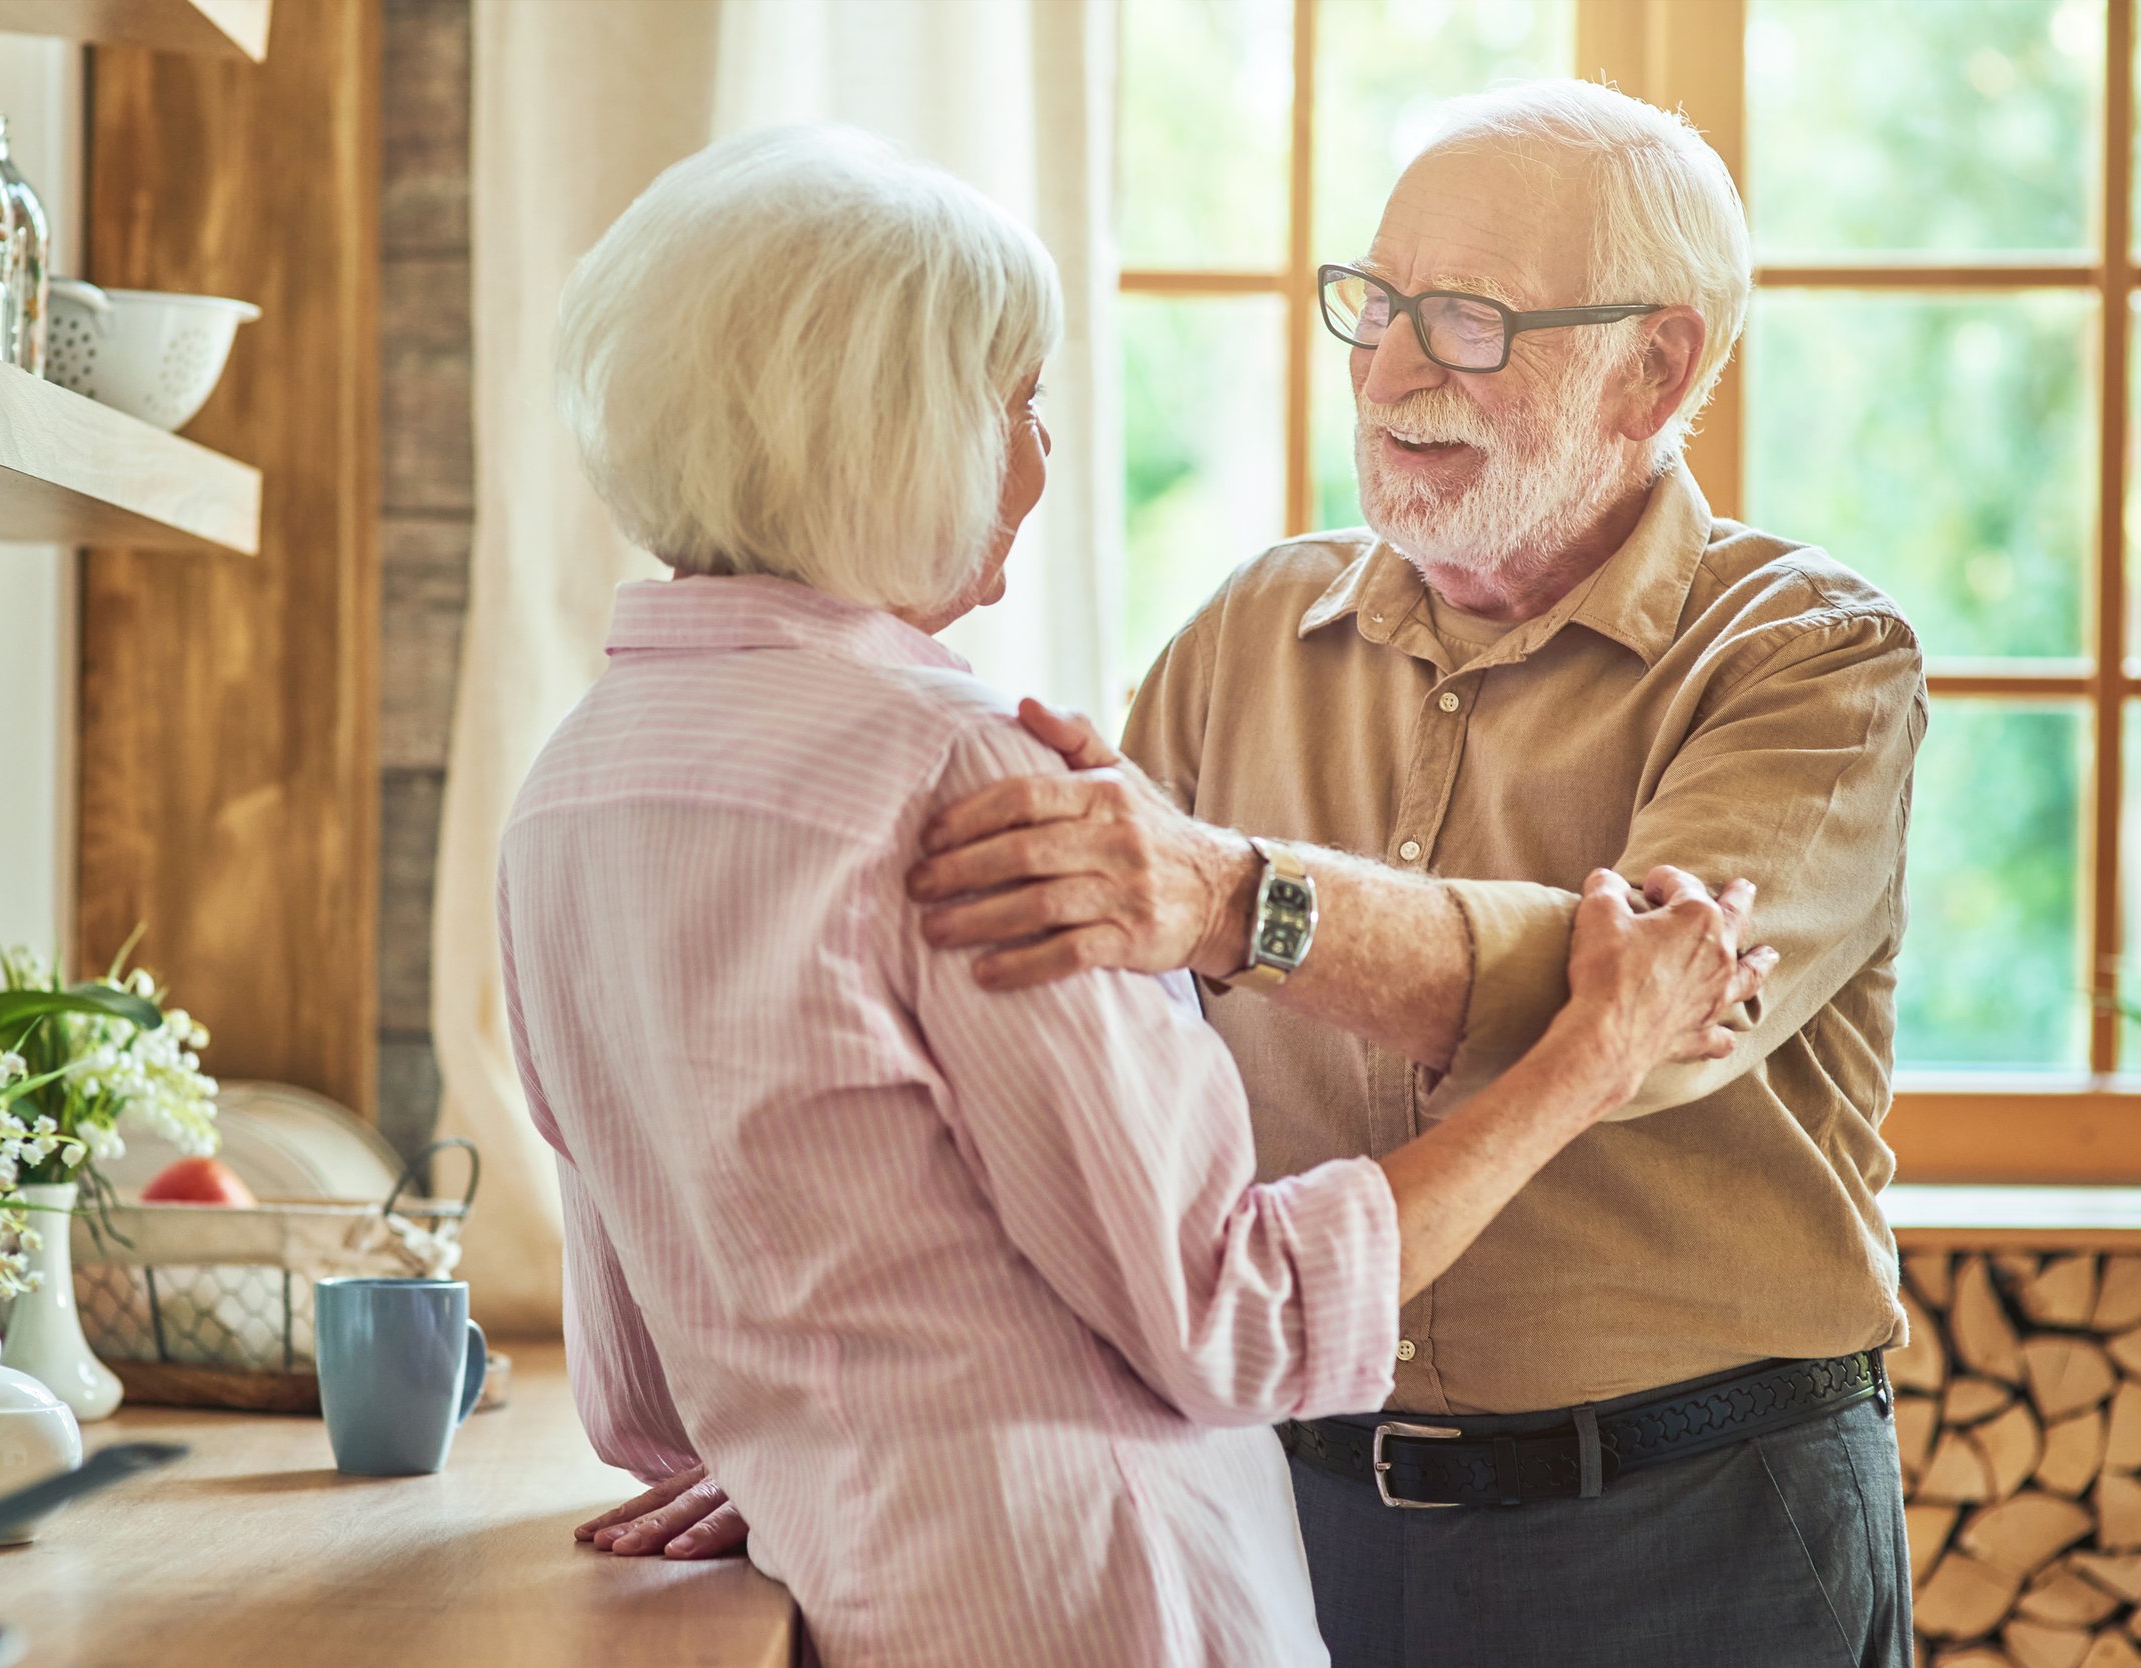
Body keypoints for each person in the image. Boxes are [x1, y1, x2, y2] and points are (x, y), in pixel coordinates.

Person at [501, 124, 1766, 1668]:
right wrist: (1589, 1053)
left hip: (849, 1603)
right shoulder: (963, 778)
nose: (1038, 457)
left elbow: (641, 1398)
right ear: (899, 433)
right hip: (1108, 1610)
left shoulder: (567, 783)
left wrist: (819, 1449)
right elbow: (1237, 1320)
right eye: (1019, 403)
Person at [893, 82, 1924, 1666]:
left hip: (1699, 1529)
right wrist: (847, 1415)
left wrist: (1243, 901)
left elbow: (1651, 1017)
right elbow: (1059, 1066)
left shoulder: (1809, 657)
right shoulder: (1248, 631)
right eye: (1374, 305)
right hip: (1293, 1513)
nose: (1384, 373)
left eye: (1464, 322)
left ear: (1657, 366)